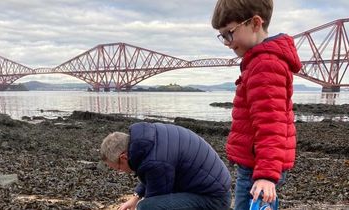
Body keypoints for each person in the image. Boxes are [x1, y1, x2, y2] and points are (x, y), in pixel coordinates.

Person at [211, 0, 302, 209]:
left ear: (255, 23)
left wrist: (266, 176)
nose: (226, 42)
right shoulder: (258, 62)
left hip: (258, 169)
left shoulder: (265, 64)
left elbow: (272, 123)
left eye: (229, 33)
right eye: (222, 36)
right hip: (255, 164)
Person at [100, 122, 231, 210]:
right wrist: (136, 196)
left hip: (214, 200)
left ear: (123, 157)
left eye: (117, 168)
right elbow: (153, 173)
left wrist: (140, 203)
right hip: (209, 186)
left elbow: (155, 201)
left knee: (146, 207)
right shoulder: (148, 137)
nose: (120, 171)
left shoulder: (154, 162)